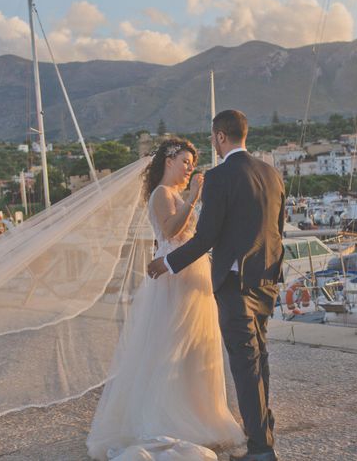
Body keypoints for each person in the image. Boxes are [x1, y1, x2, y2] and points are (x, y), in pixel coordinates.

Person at [87, 137, 243, 461]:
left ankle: (198, 412)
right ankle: (168, 417)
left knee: (194, 349)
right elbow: (171, 231)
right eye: (184, 162)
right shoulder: (161, 194)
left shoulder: (174, 194)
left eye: (191, 163)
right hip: (173, 282)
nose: (189, 168)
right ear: (168, 161)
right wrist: (195, 195)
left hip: (191, 276)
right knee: (172, 345)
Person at [147, 110, 285, 461]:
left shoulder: (221, 177)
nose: (212, 143)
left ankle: (261, 449)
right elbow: (278, 230)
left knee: (245, 363)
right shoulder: (271, 173)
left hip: (235, 284)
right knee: (260, 358)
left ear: (220, 137)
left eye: (212, 138)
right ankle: (263, 435)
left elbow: (206, 237)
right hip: (266, 280)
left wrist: (167, 262)